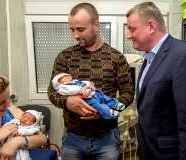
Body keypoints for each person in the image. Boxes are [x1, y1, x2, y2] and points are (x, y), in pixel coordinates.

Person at [47, 2, 134, 160]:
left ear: (96, 25)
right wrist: (67, 103)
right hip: (73, 140)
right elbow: (52, 91)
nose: (75, 35)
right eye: (72, 30)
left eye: (80, 29)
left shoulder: (116, 57)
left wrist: (104, 109)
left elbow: (128, 93)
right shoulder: (64, 56)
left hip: (107, 139)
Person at [126, 2, 186, 160]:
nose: (128, 35)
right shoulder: (149, 58)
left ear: (151, 26)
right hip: (149, 152)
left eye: (132, 29)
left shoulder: (185, 55)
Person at [0, 74, 47, 160]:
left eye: (7, 99)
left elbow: (42, 138)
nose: (8, 104)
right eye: (0, 103)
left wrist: (16, 142)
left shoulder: (13, 113)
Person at [52, 73, 125, 120]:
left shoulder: (75, 81)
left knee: (104, 97)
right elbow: (70, 90)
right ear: (62, 83)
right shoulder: (64, 87)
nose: (69, 76)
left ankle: (115, 104)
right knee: (98, 106)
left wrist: (90, 84)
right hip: (87, 100)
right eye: (66, 77)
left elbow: (84, 82)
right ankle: (109, 113)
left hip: (93, 94)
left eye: (68, 76)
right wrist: (80, 90)